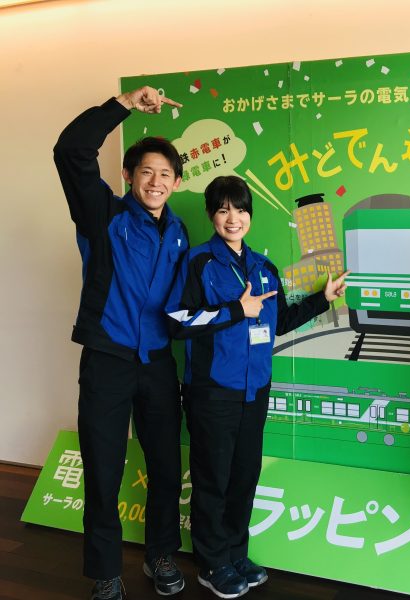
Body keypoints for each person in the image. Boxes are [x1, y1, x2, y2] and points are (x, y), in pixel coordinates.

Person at [165, 175, 348, 598]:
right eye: (223, 209)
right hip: (212, 391)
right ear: (211, 214)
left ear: (250, 214)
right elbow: (176, 321)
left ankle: (234, 553)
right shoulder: (198, 262)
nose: (233, 218)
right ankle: (212, 563)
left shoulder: (264, 267)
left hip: (255, 390)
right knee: (212, 478)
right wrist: (235, 309)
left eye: (241, 209)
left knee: (244, 476)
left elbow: (279, 322)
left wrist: (323, 298)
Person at [54, 86, 189, 600]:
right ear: (130, 176)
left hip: (157, 363)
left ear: (177, 182)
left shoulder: (180, 233)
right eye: (146, 172)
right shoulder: (103, 214)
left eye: (165, 174)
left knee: (166, 466)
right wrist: (124, 104)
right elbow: (70, 150)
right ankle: (106, 572)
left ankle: (160, 555)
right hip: (108, 358)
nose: (156, 182)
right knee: (104, 467)